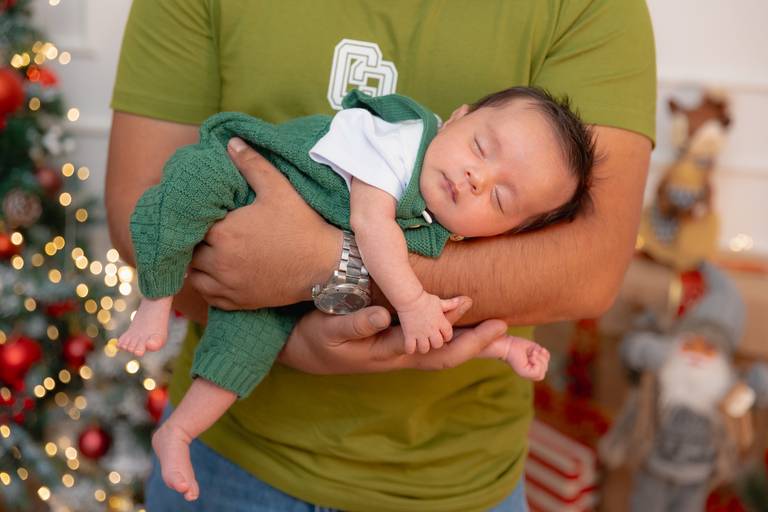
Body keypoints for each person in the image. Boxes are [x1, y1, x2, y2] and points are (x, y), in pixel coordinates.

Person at [106, 1, 656, 510]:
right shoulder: (404, 144)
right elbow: (373, 228)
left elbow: (566, 276)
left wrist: (505, 346)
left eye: (501, 198)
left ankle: (177, 432)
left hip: (456, 479)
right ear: (456, 117)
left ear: (510, 228)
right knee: (185, 191)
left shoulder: (448, 227)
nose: (475, 177)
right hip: (239, 182)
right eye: (480, 147)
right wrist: (408, 298)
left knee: (244, 346)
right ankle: (155, 303)